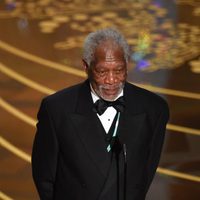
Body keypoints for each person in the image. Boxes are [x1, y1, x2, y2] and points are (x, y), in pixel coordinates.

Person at [32, 28, 169, 200]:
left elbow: (146, 173)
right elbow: (44, 175)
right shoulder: (56, 109)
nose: (111, 80)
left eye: (118, 70)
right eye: (102, 72)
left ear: (127, 65)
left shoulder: (154, 109)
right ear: (86, 66)